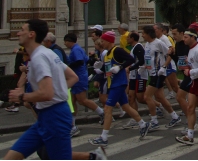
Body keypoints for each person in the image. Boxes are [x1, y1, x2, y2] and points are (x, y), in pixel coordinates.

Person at [4, 19, 79, 160]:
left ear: (31, 34)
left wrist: (22, 96)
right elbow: (73, 77)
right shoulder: (47, 54)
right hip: (46, 116)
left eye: (22, 30)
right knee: (11, 157)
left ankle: (94, 157)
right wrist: (59, 90)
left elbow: (47, 93)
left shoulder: (40, 57)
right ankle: (94, 157)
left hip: (55, 116)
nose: (18, 33)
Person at [89, 32, 151, 146]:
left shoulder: (117, 50)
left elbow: (131, 60)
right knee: (126, 106)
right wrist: (99, 67)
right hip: (112, 83)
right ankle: (143, 124)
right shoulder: (107, 54)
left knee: (108, 109)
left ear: (109, 41)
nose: (101, 43)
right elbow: (107, 68)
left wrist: (120, 67)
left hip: (118, 83)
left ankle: (104, 137)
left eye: (103, 41)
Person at [64, 33, 104, 137]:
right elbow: (87, 60)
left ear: (69, 41)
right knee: (72, 102)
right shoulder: (77, 49)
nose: (65, 43)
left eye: (66, 41)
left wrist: (66, 67)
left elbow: (80, 61)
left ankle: (101, 113)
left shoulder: (76, 49)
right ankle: (72, 125)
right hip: (76, 77)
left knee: (82, 100)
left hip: (79, 78)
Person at [142, 25, 180, 130]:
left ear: (149, 34)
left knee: (147, 97)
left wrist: (164, 67)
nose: (142, 35)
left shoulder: (159, 43)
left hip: (158, 74)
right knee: (159, 97)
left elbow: (170, 54)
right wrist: (144, 67)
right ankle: (174, 116)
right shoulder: (147, 44)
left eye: (143, 33)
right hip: (152, 73)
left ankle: (154, 121)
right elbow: (149, 58)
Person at [124, 32, 148, 124]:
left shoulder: (138, 47)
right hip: (133, 75)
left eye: (128, 38)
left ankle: (157, 105)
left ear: (133, 38)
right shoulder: (133, 48)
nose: (127, 39)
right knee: (131, 96)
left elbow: (141, 61)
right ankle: (135, 118)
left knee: (140, 98)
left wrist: (131, 68)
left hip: (140, 75)